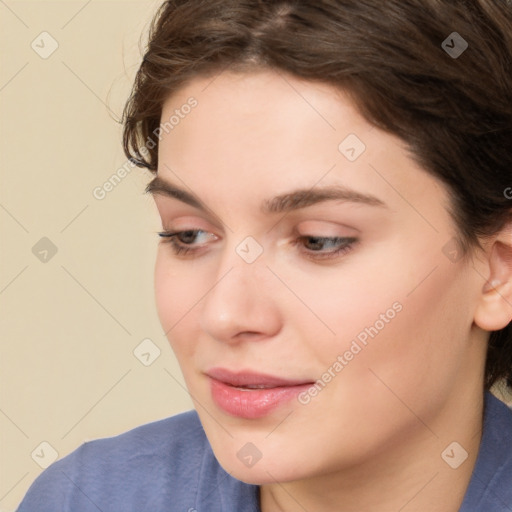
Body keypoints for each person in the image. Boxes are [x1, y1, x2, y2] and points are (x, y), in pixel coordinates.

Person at [16, 0, 512, 511]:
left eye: (319, 240)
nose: (224, 314)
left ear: (499, 269)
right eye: (188, 235)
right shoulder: (87, 499)